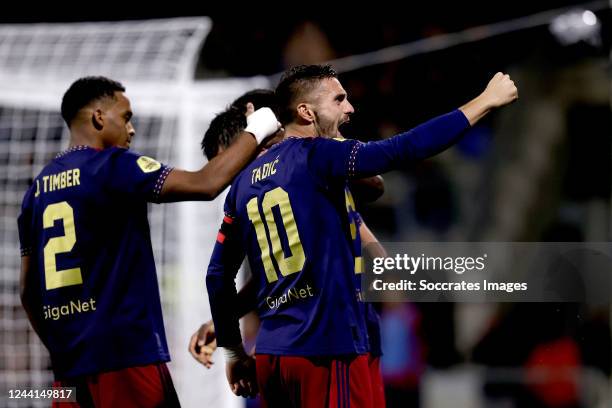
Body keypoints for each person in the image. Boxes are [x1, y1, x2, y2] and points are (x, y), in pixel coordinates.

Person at [206, 65, 517, 406]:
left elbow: (218, 274)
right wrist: (484, 102)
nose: (349, 107)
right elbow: (400, 150)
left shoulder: (242, 187)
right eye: (339, 98)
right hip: (327, 346)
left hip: (273, 353)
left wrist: (233, 351)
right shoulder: (315, 157)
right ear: (305, 112)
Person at [17, 76, 280, 408]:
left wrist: (62, 349)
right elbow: (207, 183)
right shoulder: (114, 166)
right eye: (126, 118)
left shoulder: (34, 194)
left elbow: (28, 292)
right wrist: (260, 125)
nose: (132, 130)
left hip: (68, 372)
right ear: (99, 117)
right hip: (127, 357)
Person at [191, 89, 388, 405]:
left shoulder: (307, 164)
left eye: (230, 165)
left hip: (341, 338)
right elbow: (289, 266)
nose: (232, 178)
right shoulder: (273, 186)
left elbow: (373, 242)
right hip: (309, 341)